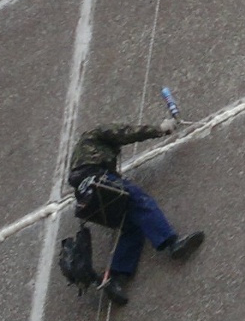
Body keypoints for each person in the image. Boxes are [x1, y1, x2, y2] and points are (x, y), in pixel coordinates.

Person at [67, 120, 204, 305]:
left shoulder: (80, 158)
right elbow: (125, 132)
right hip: (96, 179)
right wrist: (159, 129)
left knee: (131, 227)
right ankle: (172, 243)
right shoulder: (95, 134)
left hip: (87, 198)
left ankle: (115, 280)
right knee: (139, 201)